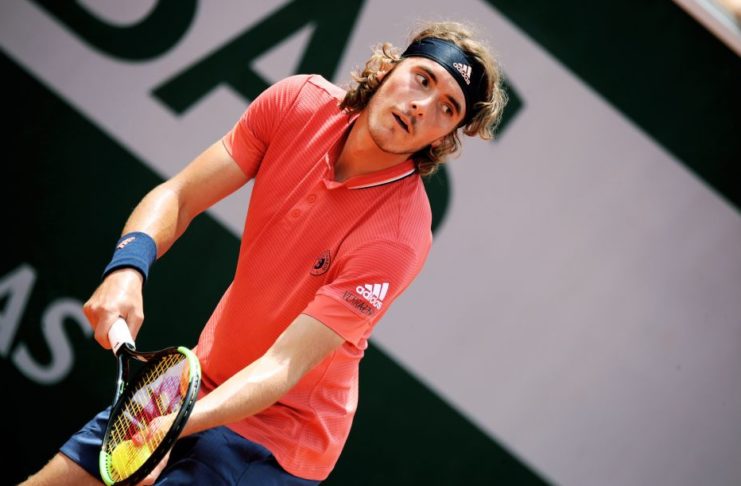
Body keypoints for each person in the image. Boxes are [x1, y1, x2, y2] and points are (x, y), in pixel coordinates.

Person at [22, 20, 507, 485]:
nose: (422, 105)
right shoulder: (297, 103)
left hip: (277, 439)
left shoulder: (399, 237)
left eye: (447, 108)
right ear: (388, 69)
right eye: (422, 78)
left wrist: (171, 427)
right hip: (198, 381)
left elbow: (282, 367)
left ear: (443, 138)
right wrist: (126, 270)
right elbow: (179, 197)